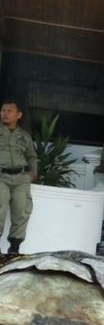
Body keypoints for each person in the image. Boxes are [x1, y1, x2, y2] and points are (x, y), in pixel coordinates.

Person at [0, 100, 37, 254]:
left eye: (9, 110)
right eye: (3, 110)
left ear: (18, 115)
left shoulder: (24, 136)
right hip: (1, 177)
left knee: (22, 212)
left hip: (21, 178)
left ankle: (14, 249)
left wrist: (32, 173)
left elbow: (31, 156)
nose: (5, 113)